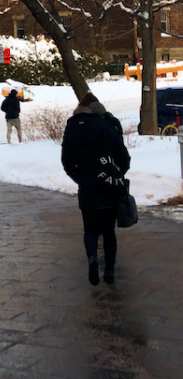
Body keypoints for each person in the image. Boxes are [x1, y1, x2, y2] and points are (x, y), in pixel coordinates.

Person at [61, 92, 130, 286]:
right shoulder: (105, 126)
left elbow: (66, 161)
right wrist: (117, 174)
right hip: (108, 185)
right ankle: (109, 270)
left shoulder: (72, 129)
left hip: (87, 186)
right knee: (109, 231)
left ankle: (92, 259)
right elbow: (123, 156)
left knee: (90, 230)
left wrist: (80, 177)